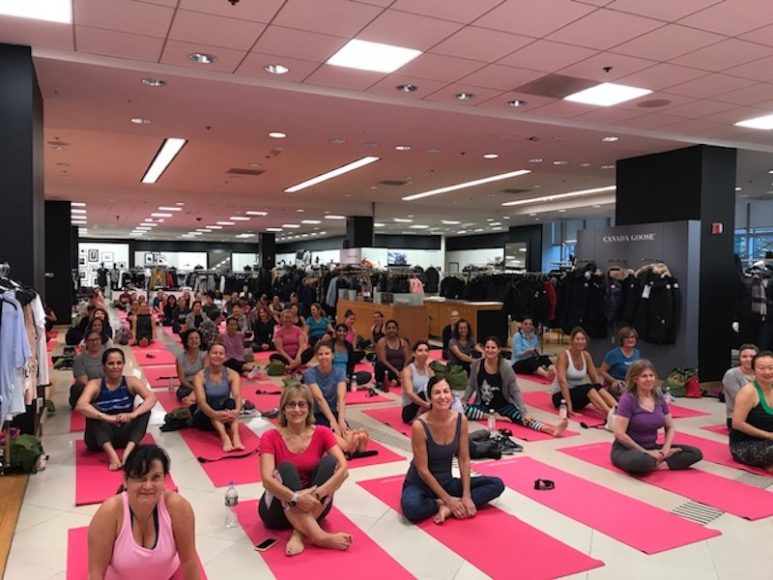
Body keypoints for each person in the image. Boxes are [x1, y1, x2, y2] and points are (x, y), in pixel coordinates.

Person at [258, 382, 352, 556]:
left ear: (309, 409)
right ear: (283, 410)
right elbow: (267, 480)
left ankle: (298, 532)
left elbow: (344, 469)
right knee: (285, 468)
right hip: (278, 510)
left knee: (330, 463)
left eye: (302, 404)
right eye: (291, 405)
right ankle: (319, 537)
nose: (297, 409)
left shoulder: (322, 433)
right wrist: (295, 498)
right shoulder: (270, 437)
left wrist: (315, 495)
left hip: (315, 505)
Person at [401, 376, 504, 524]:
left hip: (446, 483)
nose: (442, 397)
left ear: (452, 395)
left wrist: (467, 495)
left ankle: (451, 507)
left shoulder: (460, 420)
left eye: (446, 392)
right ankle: (439, 504)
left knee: (496, 484)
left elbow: (464, 459)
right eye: (437, 393)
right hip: (420, 484)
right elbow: (423, 470)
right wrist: (447, 500)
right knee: (412, 508)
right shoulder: (420, 426)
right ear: (429, 398)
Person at [88, 444, 199, 580]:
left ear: (165, 479)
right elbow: (96, 573)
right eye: (140, 478)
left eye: (156, 478)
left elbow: (189, 561)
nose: (147, 486)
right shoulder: (110, 512)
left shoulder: (178, 507)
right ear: (125, 480)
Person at [462, 337, 568, 437]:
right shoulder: (477, 365)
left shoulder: (505, 367)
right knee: (458, 408)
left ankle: (550, 429)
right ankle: (491, 416)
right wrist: (464, 401)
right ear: (484, 349)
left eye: (493, 347)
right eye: (487, 347)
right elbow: (471, 386)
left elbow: (515, 391)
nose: (490, 350)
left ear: (499, 350)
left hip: (503, 406)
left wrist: (524, 412)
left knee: (523, 418)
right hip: (483, 408)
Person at [611, 360, 703, 474]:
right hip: (628, 449)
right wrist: (646, 452)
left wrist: (665, 449)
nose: (649, 379)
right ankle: (653, 462)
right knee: (641, 461)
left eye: (651, 375)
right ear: (635, 379)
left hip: (653, 447)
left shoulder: (658, 395)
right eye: (644, 376)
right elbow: (619, 433)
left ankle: (658, 464)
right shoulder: (628, 399)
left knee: (694, 453)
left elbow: (670, 426)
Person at [76, 348, 157, 470]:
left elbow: (152, 398)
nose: (115, 367)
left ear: (124, 364)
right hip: (99, 439)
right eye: (111, 363)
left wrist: (133, 415)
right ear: (104, 366)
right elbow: (80, 406)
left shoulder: (131, 381)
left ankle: (128, 452)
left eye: (119, 363)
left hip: (124, 434)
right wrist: (107, 418)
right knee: (92, 410)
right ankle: (112, 455)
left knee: (144, 410)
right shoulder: (95, 384)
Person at [303, 341, 369, 454]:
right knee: (342, 445)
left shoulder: (340, 372)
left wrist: (341, 420)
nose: (324, 357)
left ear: (333, 355)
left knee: (345, 433)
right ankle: (352, 446)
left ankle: (356, 444)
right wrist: (333, 421)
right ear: (316, 356)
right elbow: (319, 399)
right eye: (320, 354)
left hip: (334, 412)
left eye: (327, 353)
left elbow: (341, 398)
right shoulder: (310, 373)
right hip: (316, 415)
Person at [551, 327, 617, 428]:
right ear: (572, 341)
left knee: (596, 386)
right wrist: (569, 407)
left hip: (579, 394)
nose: (580, 342)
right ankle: (610, 415)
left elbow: (595, 380)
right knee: (588, 387)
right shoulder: (564, 355)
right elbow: (562, 382)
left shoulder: (586, 355)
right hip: (561, 398)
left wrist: (600, 397)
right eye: (577, 339)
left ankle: (619, 410)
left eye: (583, 339)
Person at [191, 343, 244, 452]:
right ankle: (224, 437)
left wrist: (237, 410)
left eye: (221, 353)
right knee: (214, 404)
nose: (218, 356)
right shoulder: (199, 376)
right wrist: (215, 414)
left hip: (224, 415)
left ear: (225, 356)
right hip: (205, 416)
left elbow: (237, 395)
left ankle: (236, 436)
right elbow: (201, 402)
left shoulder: (232, 374)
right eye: (214, 353)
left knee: (230, 402)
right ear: (208, 355)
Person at [730, 351, 773, 473]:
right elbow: (737, 423)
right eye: (762, 368)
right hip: (745, 444)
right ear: (754, 371)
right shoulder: (748, 392)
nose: (767, 372)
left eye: (771, 368)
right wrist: (768, 435)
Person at [722, 344, 758, 429]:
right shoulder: (731, 374)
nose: (748, 359)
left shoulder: (762, 373)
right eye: (744, 356)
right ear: (739, 358)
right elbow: (739, 400)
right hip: (738, 417)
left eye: (752, 356)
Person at [599, 326, 641, 396]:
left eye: (632, 337)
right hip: (617, 385)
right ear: (622, 340)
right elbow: (602, 371)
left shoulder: (637, 352)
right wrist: (614, 381)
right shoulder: (613, 354)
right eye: (627, 338)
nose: (630, 339)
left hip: (630, 384)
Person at [69, 330, 105, 408]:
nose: (94, 342)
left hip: (105, 388)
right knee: (78, 388)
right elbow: (84, 382)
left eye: (96, 339)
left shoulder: (107, 356)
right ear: (86, 342)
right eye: (91, 340)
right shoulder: (79, 359)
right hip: (88, 390)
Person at [401, 340, 435, 423]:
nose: (424, 353)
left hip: (427, 406)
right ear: (414, 353)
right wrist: (426, 405)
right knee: (424, 390)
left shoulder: (430, 371)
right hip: (411, 410)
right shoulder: (408, 370)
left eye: (426, 350)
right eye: (420, 350)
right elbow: (410, 393)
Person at [375, 319, 411, 389]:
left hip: (401, 369)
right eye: (389, 328)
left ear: (397, 329)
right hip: (389, 369)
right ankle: (397, 380)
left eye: (393, 328)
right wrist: (396, 371)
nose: (391, 330)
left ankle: (397, 380)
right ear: (385, 330)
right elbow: (383, 360)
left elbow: (407, 359)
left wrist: (402, 371)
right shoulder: (382, 342)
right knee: (379, 365)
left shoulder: (404, 342)